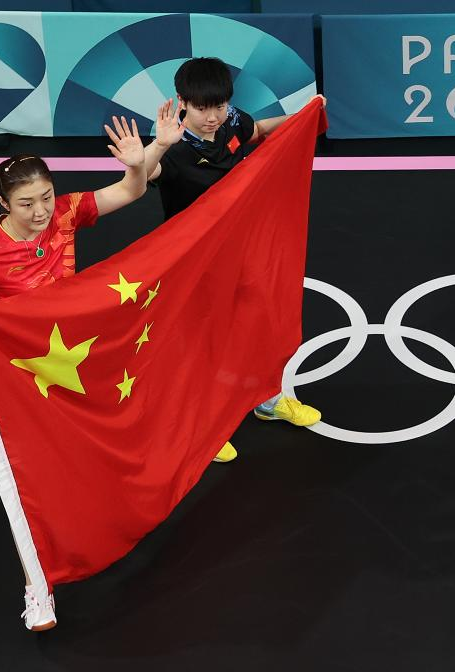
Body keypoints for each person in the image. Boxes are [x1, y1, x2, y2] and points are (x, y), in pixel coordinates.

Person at [0, 107, 184, 631]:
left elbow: (129, 193)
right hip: (27, 383)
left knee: (103, 448)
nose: (41, 211)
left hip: (80, 360)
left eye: (46, 197)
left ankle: (120, 516)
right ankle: (38, 586)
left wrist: (144, 161)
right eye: (26, 204)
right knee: (25, 482)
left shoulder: (68, 214)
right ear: (4, 204)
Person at [147, 57, 325, 463]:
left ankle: (268, 399)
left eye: (220, 106)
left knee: (261, 319)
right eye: (203, 108)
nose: (212, 117)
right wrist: (156, 145)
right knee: (205, 339)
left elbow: (258, 131)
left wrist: (304, 114)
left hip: (242, 246)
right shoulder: (170, 146)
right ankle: (205, 428)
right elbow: (141, 175)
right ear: (182, 103)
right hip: (195, 258)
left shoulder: (231, 122)